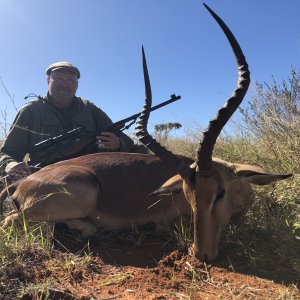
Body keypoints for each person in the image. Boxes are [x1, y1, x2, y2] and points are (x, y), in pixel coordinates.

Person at [0, 61, 136, 180]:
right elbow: (8, 153)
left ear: (77, 85)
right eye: (58, 78)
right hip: (45, 179)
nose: (64, 84)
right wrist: (11, 166)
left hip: (93, 176)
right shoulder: (30, 111)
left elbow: (127, 141)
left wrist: (118, 143)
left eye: (70, 80)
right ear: (48, 81)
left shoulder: (90, 109)